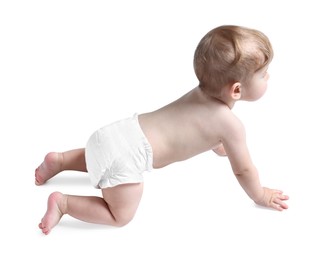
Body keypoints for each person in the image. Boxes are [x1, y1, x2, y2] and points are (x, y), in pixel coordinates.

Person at [35, 25, 289, 235]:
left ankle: (59, 161)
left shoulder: (200, 92)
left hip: (118, 132)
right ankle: (64, 204)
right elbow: (243, 169)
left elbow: (194, 127)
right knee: (120, 215)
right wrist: (260, 195)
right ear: (236, 90)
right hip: (129, 158)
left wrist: (218, 144)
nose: (268, 77)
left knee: (101, 157)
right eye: (263, 74)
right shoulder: (230, 125)